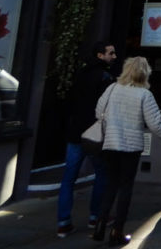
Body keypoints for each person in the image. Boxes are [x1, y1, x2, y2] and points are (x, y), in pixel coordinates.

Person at [92, 56, 161, 247]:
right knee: (125, 188)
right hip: (130, 147)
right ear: (145, 73)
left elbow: (98, 112)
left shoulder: (112, 89)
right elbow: (155, 123)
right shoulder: (145, 95)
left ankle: (100, 224)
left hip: (110, 144)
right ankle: (117, 231)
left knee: (110, 184)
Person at [56, 40, 116, 239]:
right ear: (100, 55)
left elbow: (70, 101)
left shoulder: (80, 74)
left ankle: (63, 223)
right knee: (102, 174)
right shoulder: (105, 77)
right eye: (110, 53)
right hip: (94, 134)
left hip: (75, 132)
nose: (114, 57)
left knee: (68, 178)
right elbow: (108, 108)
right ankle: (96, 216)